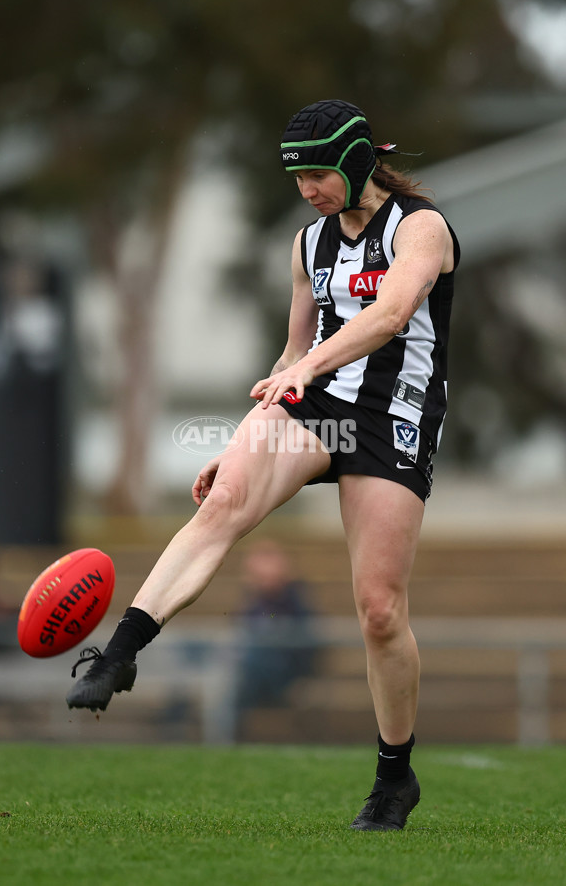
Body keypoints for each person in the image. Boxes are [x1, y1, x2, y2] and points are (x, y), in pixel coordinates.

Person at [67, 99, 460, 832]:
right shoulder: (308, 245)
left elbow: (391, 316)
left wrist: (302, 371)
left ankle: (394, 777)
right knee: (222, 505)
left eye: (319, 173)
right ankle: (116, 655)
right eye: (298, 176)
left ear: (354, 161)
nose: (308, 188)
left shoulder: (420, 229)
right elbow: (290, 354)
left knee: (380, 611)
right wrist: (241, 440)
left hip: (391, 420)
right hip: (312, 405)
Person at [233, 539, 317, 724]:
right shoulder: (253, 602)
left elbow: (307, 642)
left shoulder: (294, 600)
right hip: (255, 674)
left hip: (286, 672)